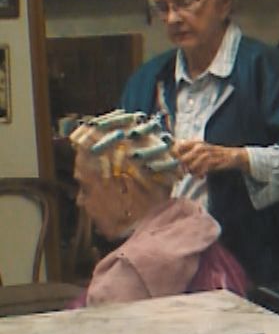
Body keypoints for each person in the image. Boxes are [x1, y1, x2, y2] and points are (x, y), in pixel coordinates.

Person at [116, 0, 279, 287]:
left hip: (254, 271)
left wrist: (235, 158)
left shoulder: (263, 69)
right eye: (162, 7)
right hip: (164, 271)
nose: (172, 18)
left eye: (185, 2)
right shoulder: (148, 80)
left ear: (224, 3)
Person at [64, 111, 250, 306]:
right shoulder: (201, 234)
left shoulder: (125, 279)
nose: (79, 201)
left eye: (85, 189)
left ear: (124, 189)